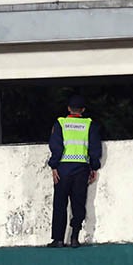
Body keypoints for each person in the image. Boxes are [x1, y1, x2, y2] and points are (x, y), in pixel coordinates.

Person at [46, 94, 102, 248]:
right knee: (78, 204)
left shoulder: (61, 123)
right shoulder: (90, 125)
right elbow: (95, 148)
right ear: (83, 110)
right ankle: (75, 238)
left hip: (63, 169)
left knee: (60, 204)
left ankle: (58, 240)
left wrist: (54, 166)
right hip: (82, 169)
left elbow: (56, 146)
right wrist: (94, 167)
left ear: (68, 108)